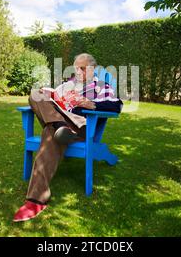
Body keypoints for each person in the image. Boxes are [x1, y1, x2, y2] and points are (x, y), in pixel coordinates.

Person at [13, 53, 123, 222]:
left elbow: (117, 106)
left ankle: (36, 200)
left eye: (83, 68)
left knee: (50, 134)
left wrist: (91, 104)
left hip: (81, 127)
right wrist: (49, 95)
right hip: (61, 121)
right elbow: (53, 99)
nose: (79, 72)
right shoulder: (68, 85)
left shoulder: (101, 87)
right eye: (76, 68)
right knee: (36, 93)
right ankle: (59, 126)